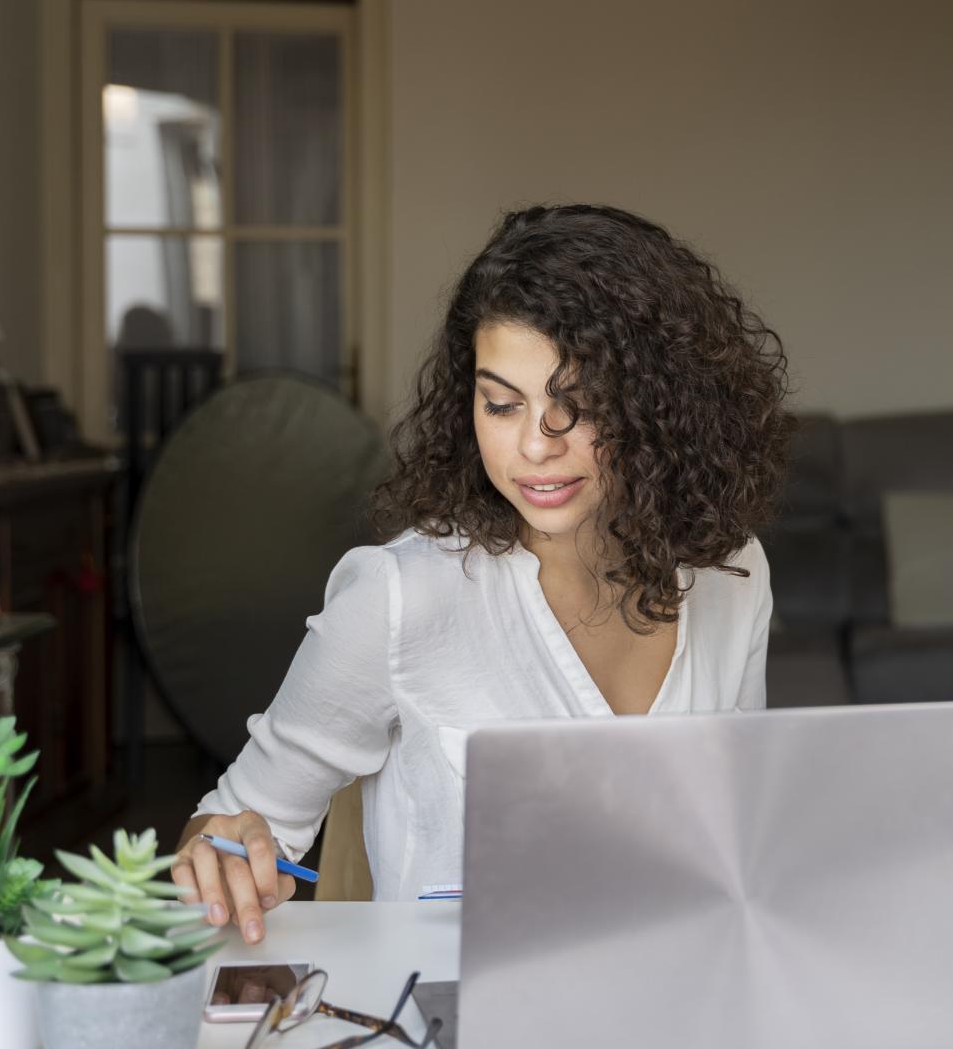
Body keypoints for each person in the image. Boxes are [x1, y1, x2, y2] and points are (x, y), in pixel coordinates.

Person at [172, 204, 794, 944]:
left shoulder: (733, 574)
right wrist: (221, 850)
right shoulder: (401, 596)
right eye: (501, 404)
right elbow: (237, 823)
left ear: (664, 408)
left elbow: (741, 843)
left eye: (579, 405)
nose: (534, 445)